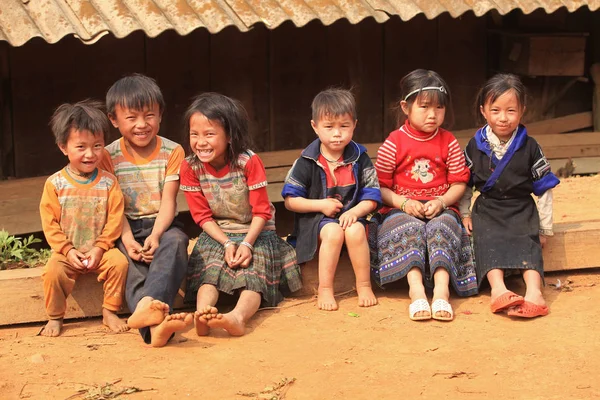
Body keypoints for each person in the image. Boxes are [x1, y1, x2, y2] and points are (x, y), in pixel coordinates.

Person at [180, 92, 303, 336]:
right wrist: (226, 243)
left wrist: (246, 244)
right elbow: (202, 216)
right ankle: (203, 314)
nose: (200, 142)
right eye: (195, 134)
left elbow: (262, 211)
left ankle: (237, 317)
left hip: (256, 230)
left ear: (229, 135)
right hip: (218, 231)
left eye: (209, 134)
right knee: (210, 271)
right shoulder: (190, 166)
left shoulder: (248, 162)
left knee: (253, 273)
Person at [372, 69, 477, 322]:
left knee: (443, 226)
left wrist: (442, 201)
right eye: (424, 107)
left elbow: (459, 182)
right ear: (405, 107)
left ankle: (441, 291)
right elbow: (380, 186)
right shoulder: (394, 142)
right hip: (400, 210)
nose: (433, 114)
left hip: (442, 208)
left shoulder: (448, 142)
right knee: (407, 227)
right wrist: (403, 202)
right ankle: (416, 291)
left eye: (439, 108)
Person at [100, 74, 191, 347]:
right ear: (114, 120)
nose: (142, 125)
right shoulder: (107, 155)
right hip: (123, 225)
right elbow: (113, 207)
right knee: (133, 266)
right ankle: (157, 327)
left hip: (160, 224)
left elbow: (169, 202)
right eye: (131, 118)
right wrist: (127, 239)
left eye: (149, 115)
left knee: (175, 243)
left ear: (160, 115)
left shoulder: (173, 151)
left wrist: (157, 233)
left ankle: (149, 310)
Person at [459, 73, 559, 318]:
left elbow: (544, 188)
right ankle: (498, 289)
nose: (503, 118)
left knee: (528, 240)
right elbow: (465, 184)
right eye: (495, 110)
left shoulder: (531, 146)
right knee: (487, 237)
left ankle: (534, 291)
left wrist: (545, 228)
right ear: (483, 110)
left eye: (511, 111)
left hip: (522, 208)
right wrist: (465, 213)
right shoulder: (475, 145)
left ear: (522, 111)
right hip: (488, 209)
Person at [282, 88, 381, 311]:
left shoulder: (360, 157)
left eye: (344, 126)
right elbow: (290, 201)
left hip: (351, 219)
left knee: (355, 230)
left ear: (354, 124)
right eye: (329, 127)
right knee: (333, 232)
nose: (337, 133)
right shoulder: (307, 160)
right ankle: (325, 288)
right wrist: (321, 205)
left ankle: (363, 285)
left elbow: (372, 197)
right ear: (315, 127)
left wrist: (355, 212)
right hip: (316, 222)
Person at [40, 100, 129, 337]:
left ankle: (110, 311)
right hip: (66, 253)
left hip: (100, 251)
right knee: (53, 272)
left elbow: (115, 219)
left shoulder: (109, 182)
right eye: (81, 147)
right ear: (63, 147)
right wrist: (67, 250)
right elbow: (49, 224)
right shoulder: (55, 184)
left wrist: (101, 248)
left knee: (119, 263)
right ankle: (55, 316)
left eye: (97, 146)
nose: (90, 154)